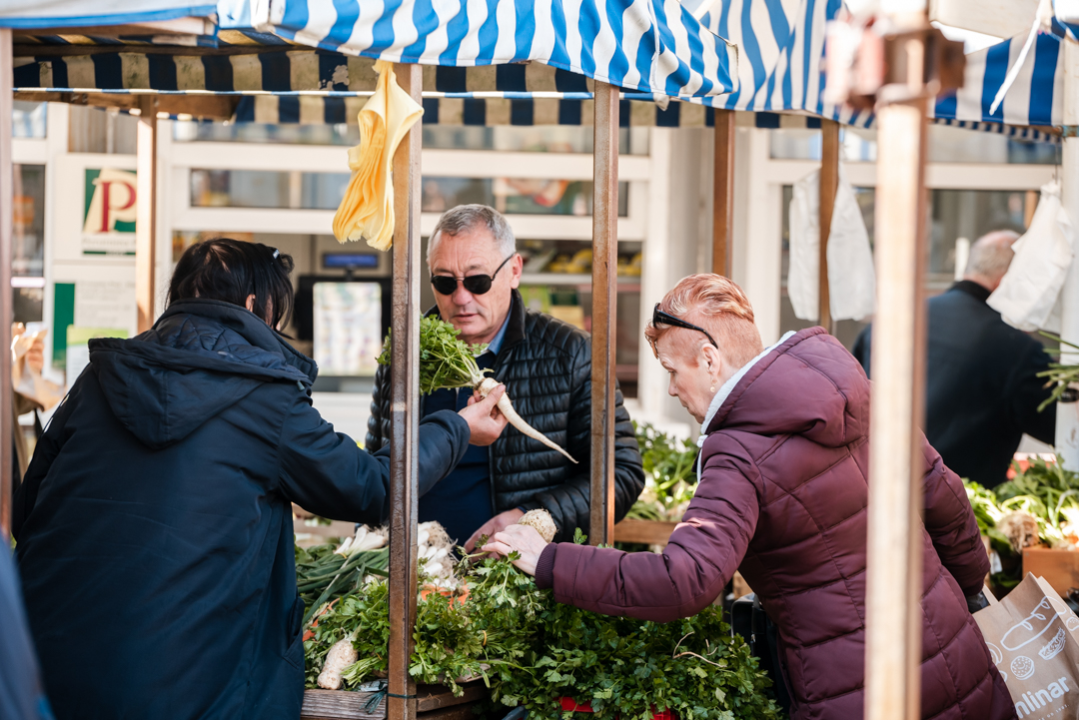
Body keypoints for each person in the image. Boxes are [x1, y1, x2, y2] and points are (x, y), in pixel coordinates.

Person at [11, 238, 508, 720]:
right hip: (189, 685)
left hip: (42, 667)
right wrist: (459, 427)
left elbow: (30, 506)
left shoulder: (100, 378)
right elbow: (373, 488)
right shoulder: (263, 394)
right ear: (254, 304)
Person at [483, 274, 1013, 720]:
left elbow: (684, 581)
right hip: (957, 661)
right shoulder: (861, 394)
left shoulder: (737, 453)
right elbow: (947, 499)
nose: (670, 389)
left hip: (858, 694)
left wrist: (548, 559)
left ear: (710, 360)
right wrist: (962, 597)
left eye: (672, 370)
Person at [367, 204, 644, 549]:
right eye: (444, 281)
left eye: (478, 281)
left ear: (514, 270)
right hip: (414, 576)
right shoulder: (403, 355)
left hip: (516, 585)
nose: (461, 297)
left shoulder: (572, 354)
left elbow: (621, 476)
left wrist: (533, 518)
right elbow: (376, 473)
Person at [853, 230, 1056, 488]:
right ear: (1008, 280)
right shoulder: (1015, 349)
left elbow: (849, 403)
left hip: (873, 499)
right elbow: (1063, 427)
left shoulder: (890, 321)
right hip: (959, 511)